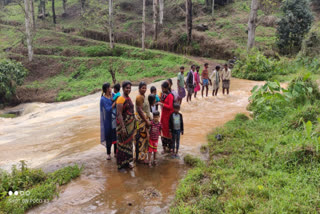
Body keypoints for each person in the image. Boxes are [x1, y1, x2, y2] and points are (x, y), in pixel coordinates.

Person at [116, 81, 135, 170]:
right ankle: (120, 166)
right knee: (122, 146)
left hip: (130, 127)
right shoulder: (121, 99)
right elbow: (119, 114)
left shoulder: (128, 98)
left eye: (130, 88)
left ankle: (127, 163)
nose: (129, 89)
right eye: (127, 88)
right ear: (123, 88)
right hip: (123, 127)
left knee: (129, 145)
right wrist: (123, 128)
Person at [135, 82, 151, 164]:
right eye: (142, 88)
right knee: (141, 139)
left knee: (145, 139)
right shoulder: (139, 97)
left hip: (145, 120)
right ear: (139, 88)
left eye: (145, 88)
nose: (144, 89)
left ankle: (143, 156)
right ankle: (141, 158)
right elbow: (140, 111)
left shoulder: (144, 96)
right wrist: (146, 121)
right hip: (141, 122)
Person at [100, 83, 117, 160]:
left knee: (116, 135)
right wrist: (114, 103)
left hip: (115, 119)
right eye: (110, 87)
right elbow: (107, 109)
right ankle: (108, 154)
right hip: (107, 120)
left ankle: (116, 152)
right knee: (108, 137)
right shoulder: (103, 99)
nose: (111, 88)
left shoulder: (113, 95)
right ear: (107, 89)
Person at [158, 81, 174, 153]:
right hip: (163, 115)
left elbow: (170, 106)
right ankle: (164, 148)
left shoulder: (170, 95)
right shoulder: (163, 94)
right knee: (163, 130)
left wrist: (162, 104)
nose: (162, 89)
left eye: (162, 88)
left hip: (169, 116)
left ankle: (170, 147)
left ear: (166, 88)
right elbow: (161, 101)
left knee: (169, 131)